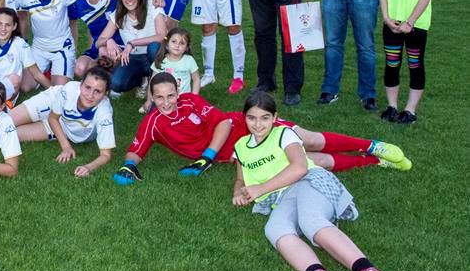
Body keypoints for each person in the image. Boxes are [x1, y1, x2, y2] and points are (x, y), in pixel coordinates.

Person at [231, 91, 401, 271]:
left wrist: (261, 188)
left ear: (275, 117)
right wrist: (238, 192)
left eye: (265, 117)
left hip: (309, 181)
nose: (258, 124)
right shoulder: (241, 146)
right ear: (244, 118)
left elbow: (300, 168)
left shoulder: (284, 134)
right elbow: (240, 178)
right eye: (252, 118)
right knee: (274, 229)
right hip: (283, 195)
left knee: (311, 222)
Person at [112, 73, 411, 186]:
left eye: (170, 95)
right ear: (152, 97)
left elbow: (223, 122)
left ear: (178, 90)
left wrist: (206, 157)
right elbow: (137, 148)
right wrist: (128, 166)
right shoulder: (153, 122)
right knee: (313, 162)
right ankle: (372, 161)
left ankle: (370, 144)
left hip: (247, 125)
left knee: (307, 139)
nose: (166, 102)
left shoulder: (191, 100)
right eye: (159, 97)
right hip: (242, 152)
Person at [10, 66, 114, 177]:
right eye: (87, 87)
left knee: (12, 133)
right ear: (80, 84)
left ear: (105, 94)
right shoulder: (69, 90)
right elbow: (53, 117)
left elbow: (106, 155)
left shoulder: (104, 113)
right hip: (50, 102)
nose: (90, 95)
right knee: (6, 122)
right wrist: (66, 147)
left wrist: (88, 167)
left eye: (98, 91)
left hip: (63, 126)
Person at [95, 0, 168, 97]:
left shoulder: (152, 6)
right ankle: (142, 80)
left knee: (154, 46)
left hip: (155, 55)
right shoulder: (118, 14)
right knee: (115, 83)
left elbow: (162, 36)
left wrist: (133, 43)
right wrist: (109, 40)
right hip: (134, 57)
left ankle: (156, 82)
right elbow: (98, 42)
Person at [14, 0, 82, 86]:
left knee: (59, 87)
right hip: (39, 48)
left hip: (61, 49)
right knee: (25, 86)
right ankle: (48, 70)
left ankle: (62, 66)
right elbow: (5, 0)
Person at [0, 7, 50, 102]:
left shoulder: (20, 44)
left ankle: (6, 104)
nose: (3, 29)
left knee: (16, 79)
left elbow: (36, 74)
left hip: (8, 88)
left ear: (14, 26)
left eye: (7, 25)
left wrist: (55, 92)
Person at [68, 0, 121, 78]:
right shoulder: (78, 5)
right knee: (79, 68)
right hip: (97, 45)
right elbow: (68, 22)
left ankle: (113, 74)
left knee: (103, 54)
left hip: (118, 45)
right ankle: (102, 70)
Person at [139, 26, 200, 113]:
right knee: (156, 113)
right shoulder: (161, 60)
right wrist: (149, 100)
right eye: (174, 41)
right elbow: (152, 81)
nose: (177, 45)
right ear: (167, 44)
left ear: (186, 47)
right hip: (164, 99)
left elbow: (196, 79)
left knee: (185, 116)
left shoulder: (189, 60)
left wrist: (194, 98)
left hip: (184, 99)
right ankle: (150, 105)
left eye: (182, 43)